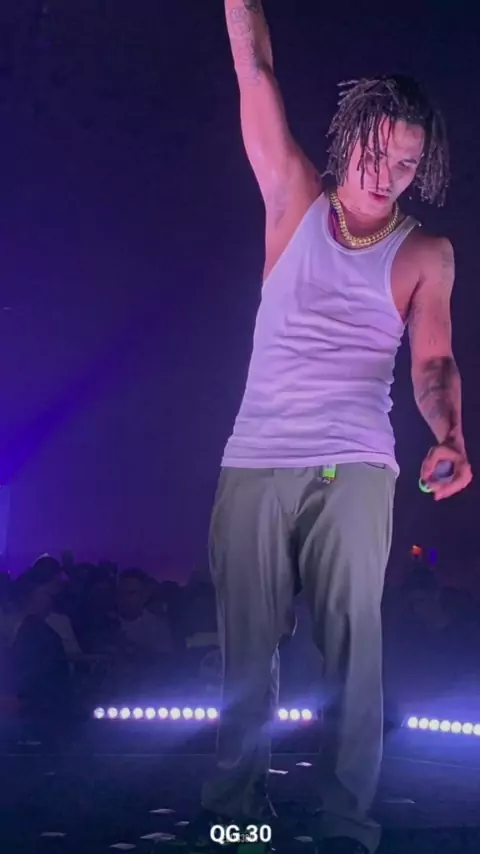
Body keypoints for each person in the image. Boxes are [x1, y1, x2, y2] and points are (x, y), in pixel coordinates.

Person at [196, 3, 473, 854]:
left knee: (354, 646)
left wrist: (451, 434)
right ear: (350, 138)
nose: (390, 174)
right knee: (248, 653)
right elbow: (255, 70)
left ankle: (348, 826)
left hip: (354, 460)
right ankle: (237, 815)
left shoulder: (425, 253)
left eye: (408, 162)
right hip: (256, 457)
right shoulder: (292, 196)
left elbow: (432, 362)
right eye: (380, 154)